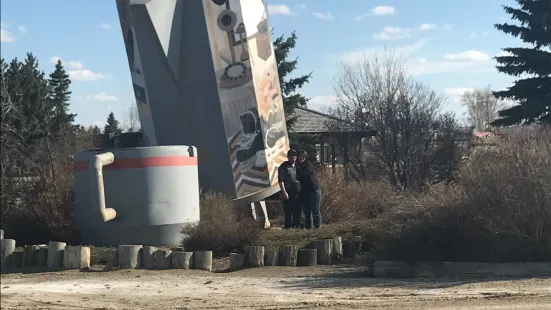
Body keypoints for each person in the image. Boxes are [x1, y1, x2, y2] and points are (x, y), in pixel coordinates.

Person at [297, 150, 322, 229]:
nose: (301, 158)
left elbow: (305, 174)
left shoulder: (309, 165)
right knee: (307, 212)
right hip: (304, 191)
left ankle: (317, 227)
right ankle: (309, 228)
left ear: (305, 157)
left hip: (313, 190)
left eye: (303, 156)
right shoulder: (297, 166)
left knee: (315, 211)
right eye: (300, 156)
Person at [277, 149, 302, 229]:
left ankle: (296, 227)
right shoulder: (284, 166)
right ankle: (287, 227)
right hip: (288, 191)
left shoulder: (298, 166)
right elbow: (281, 180)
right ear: (288, 157)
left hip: (298, 192)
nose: (293, 157)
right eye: (291, 156)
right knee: (288, 211)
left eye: (294, 156)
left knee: (297, 211)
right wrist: (284, 192)